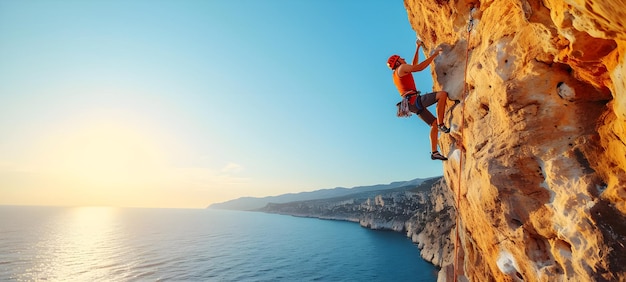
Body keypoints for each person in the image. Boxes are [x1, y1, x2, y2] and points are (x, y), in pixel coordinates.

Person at [388, 39, 450, 161]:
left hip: (411, 104)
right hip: (414, 100)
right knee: (442, 95)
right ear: (398, 61)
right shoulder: (401, 68)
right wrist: (435, 54)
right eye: (401, 58)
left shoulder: (397, 73)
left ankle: (434, 152)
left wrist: (417, 48)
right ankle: (441, 124)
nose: (403, 59)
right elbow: (419, 67)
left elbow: (413, 65)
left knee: (433, 124)